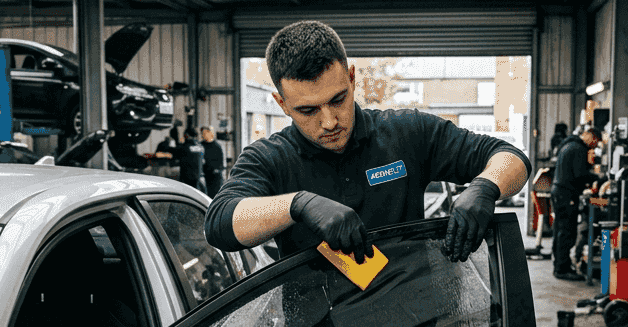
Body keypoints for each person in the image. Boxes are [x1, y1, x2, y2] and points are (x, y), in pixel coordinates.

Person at [204, 20, 530, 264]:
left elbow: (509, 156)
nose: (329, 121)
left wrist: (486, 187)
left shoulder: (407, 132)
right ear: (282, 104)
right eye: (308, 110)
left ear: (352, 78)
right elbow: (220, 222)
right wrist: (298, 205)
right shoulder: (269, 159)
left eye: (338, 99)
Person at [551, 125, 600, 281]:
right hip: (567, 194)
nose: (595, 146)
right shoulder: (579, 149)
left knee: (560, 230)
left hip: (559, 191)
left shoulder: (569, 144)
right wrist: (599, 178)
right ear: (590, 136)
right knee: (567, 232)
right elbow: (580, 175)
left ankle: (560, 264)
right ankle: (562, 269)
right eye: (596, 142)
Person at [172, 126, 205, 191]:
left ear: (187, 135)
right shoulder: (201, 146)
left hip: (187, 178)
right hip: (199, 176)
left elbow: (175, 154)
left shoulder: (185, 147)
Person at [201, 126, 225, 198]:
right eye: (202, 133)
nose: (203, 135)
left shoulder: (217, 146)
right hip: (205, 175)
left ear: (210, 133)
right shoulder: (201, 145)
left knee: (215, 196)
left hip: (215, 177)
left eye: (204, 133)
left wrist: (217, 170)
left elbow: (220, 162)